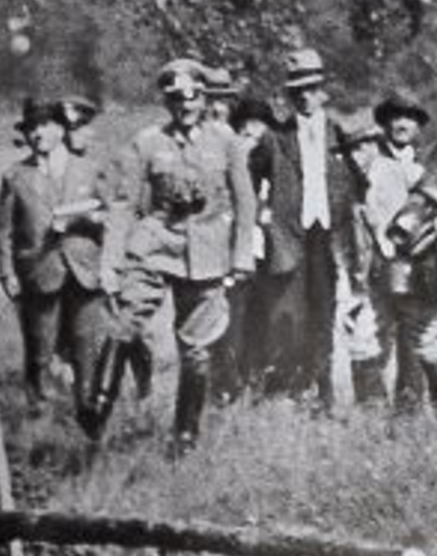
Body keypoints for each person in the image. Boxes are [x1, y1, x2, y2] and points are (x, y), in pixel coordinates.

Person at [86, 59, 256, 451]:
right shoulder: (147, 142)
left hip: (207, 252)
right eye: (176, 98)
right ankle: (97, 406)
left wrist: (241, 255)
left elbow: (244, 203)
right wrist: (112, 262)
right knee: (123, 322)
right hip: (155, 244)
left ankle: (185, 435)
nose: (185, 106)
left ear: (204, 97)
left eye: (193, 97)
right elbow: (125, 204)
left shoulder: (227, 141)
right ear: (167, 101)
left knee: (196, 348)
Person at [0, 97, 113, 420]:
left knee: (86, 344)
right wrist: (7, 274)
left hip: (84, 269)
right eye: (31, 128)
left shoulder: (89, 169)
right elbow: (3, 230)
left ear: (62, 128)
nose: (37, 133)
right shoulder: (15, 176)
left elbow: (112, 215)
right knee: (40, 348)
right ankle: (39, 412)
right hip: (39, 272)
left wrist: (88, 221)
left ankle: (87, 410)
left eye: (44, 125)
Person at [247, 47, 352, 412]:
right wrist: (259, 218)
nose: (305, 97)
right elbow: (247, 178)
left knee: (324, 311)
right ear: (290, 96)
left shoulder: (339, 133)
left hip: (328, 236)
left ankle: (323, 392)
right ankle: (290, 388)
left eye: (312, 89)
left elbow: (359, 181)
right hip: (288, 236)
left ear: (323, 90)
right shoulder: (274, 138)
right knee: (288, 316)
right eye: (298, 91)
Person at [339, 91, 437, 418]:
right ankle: (372, 416)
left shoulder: (430, 167)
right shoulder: (370, 164)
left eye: (410, 118)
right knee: (366, 339)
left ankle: (425, 414)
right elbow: (357, 220)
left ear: (419, 127)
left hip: (423, 268)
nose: (403, 124)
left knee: (422, 342)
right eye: (396, 117)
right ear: (385, 123)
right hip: (379, 268)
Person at [209, 96, 276, 402]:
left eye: (258, 135)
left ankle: (255, 378)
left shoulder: (272, 170)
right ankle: (225, 383)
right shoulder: (226, 167)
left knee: (261, 316)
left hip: (266, 254)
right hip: (232, 254)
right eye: (245, 134)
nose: (252, 142)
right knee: (231, 317)